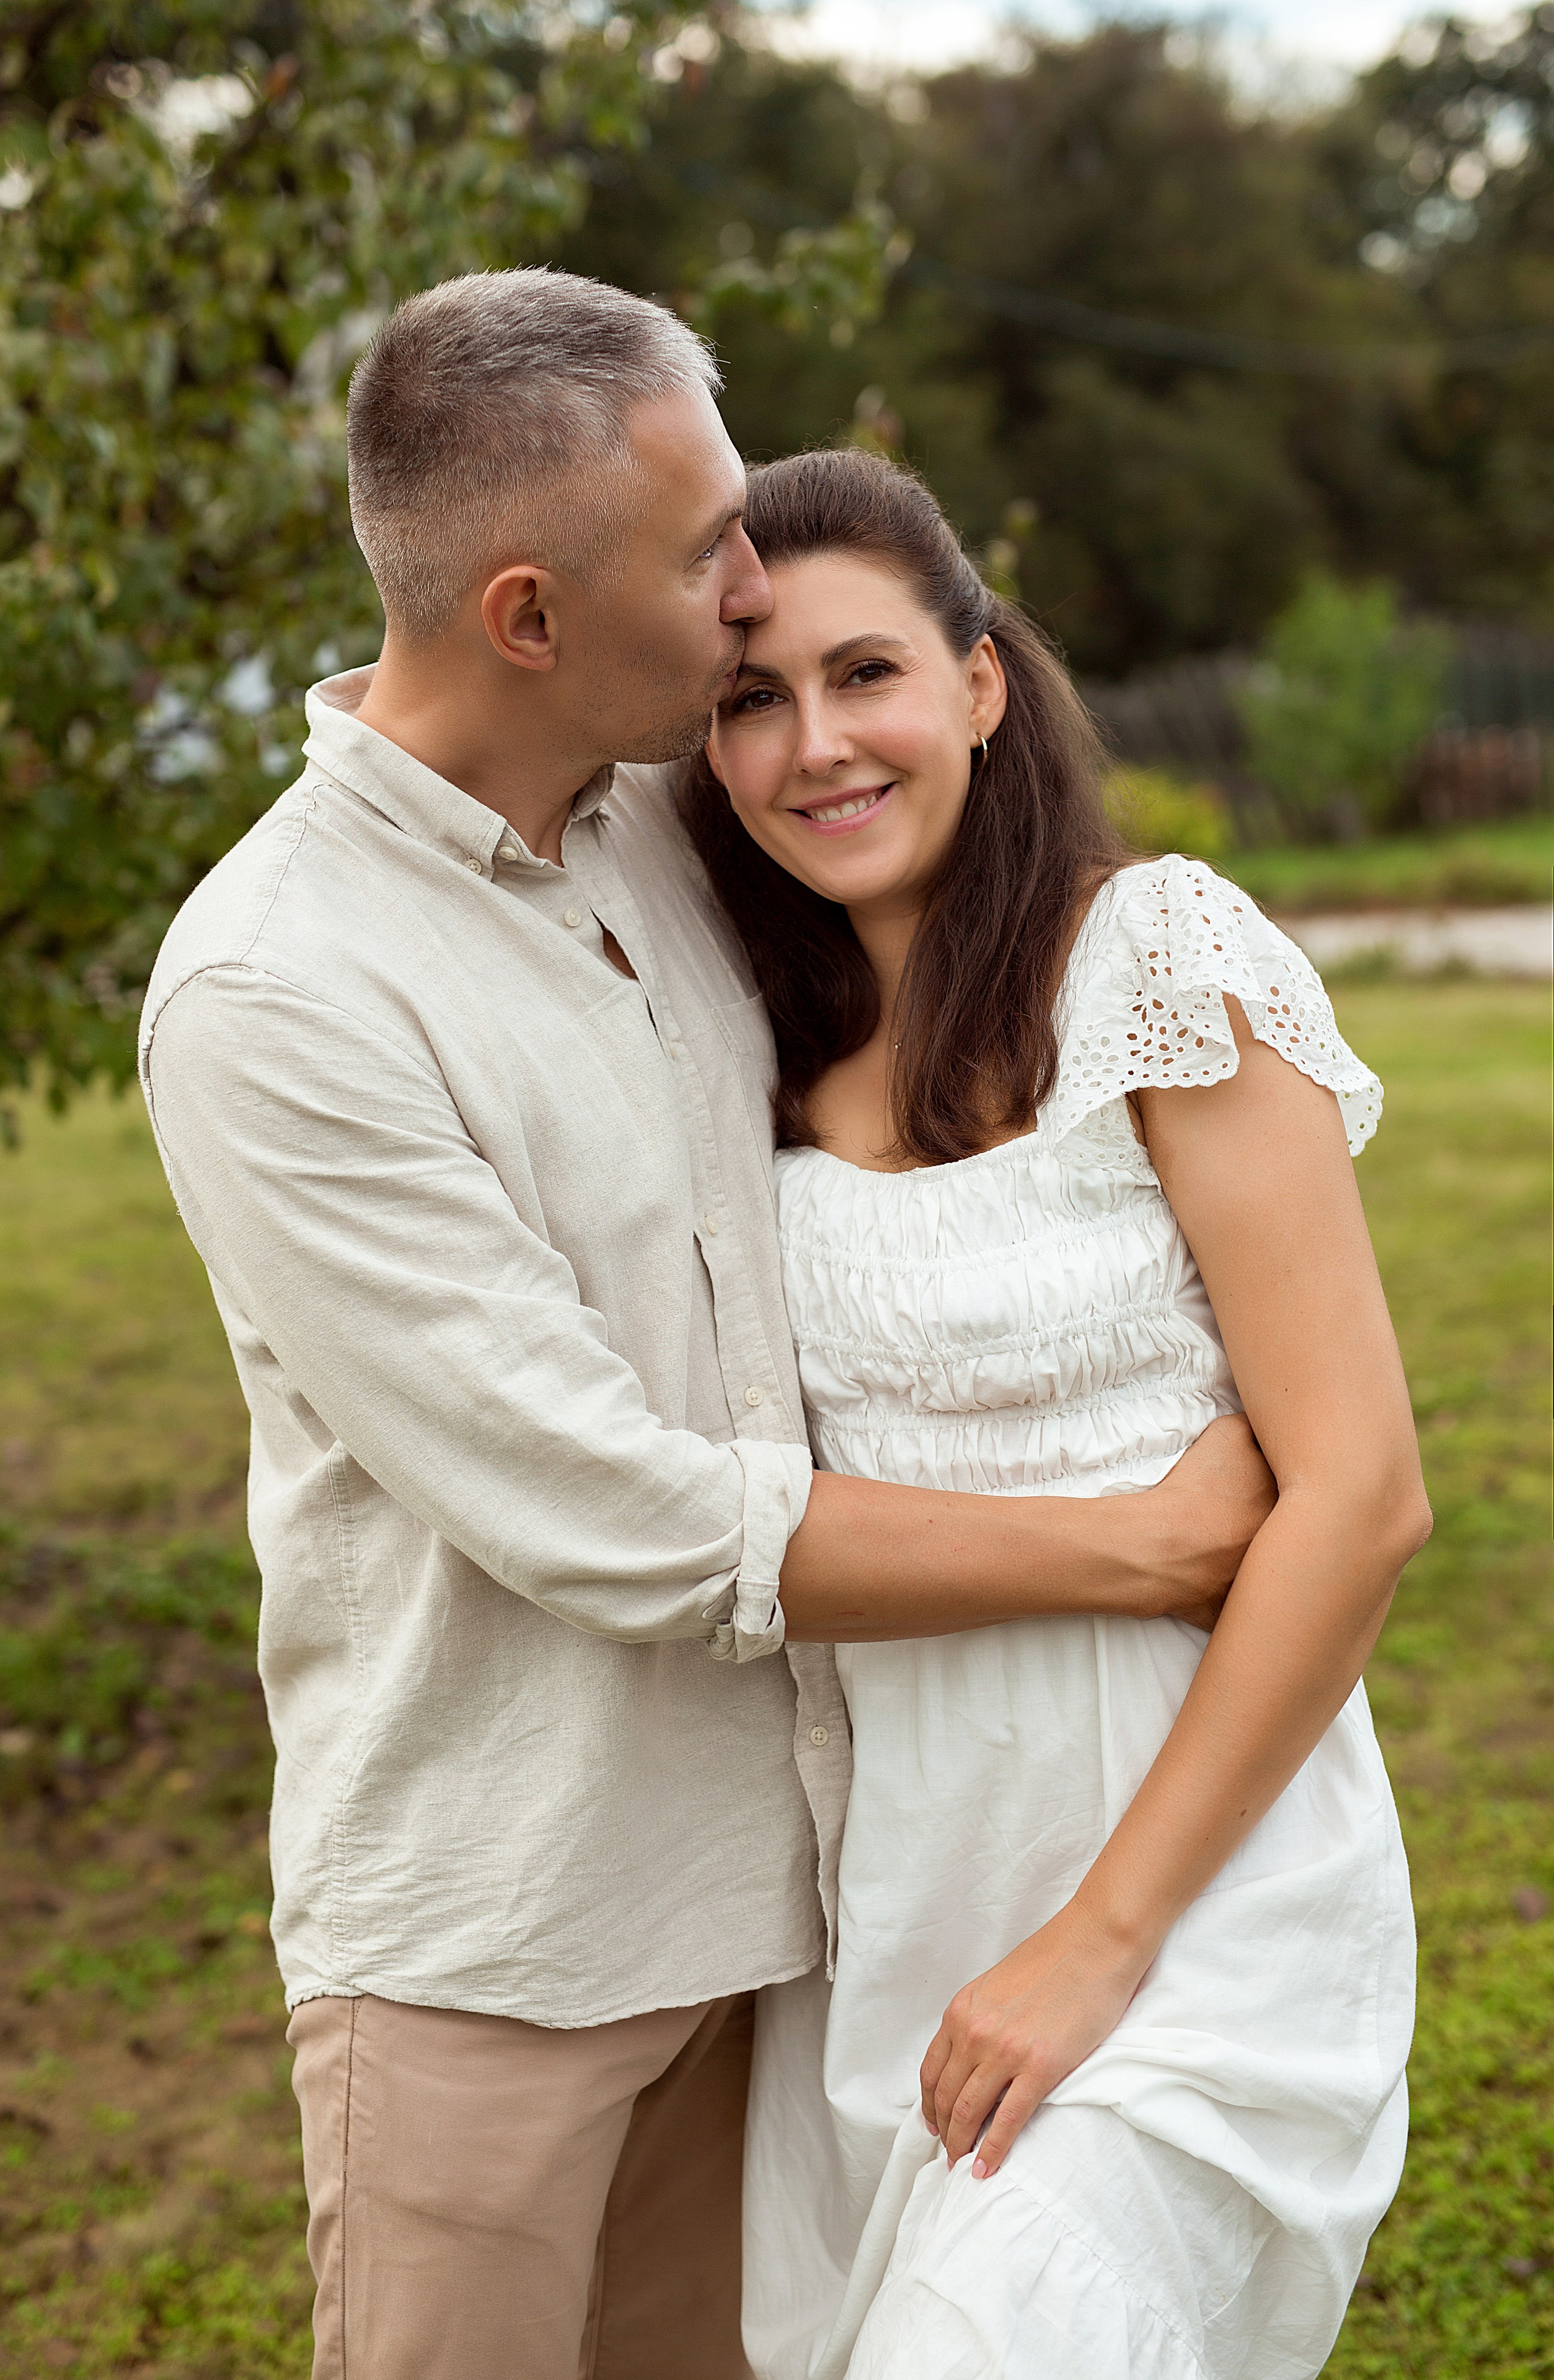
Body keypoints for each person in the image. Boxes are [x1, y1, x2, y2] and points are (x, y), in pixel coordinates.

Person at [138, 272, 1271, 2380]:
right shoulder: (278, 993)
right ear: (529, 616)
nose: (751, 585)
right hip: (498, 1935)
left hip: (789, 1908)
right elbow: (619, 1510)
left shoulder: (667, 830)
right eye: (706, 552)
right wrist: (1141, 1543)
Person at [681, 447, 1429, 2380]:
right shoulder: (734, 1047)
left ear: (980, 682)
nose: (814, 745)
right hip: (904, 1877)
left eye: (865, 673)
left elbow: (1359, 1497)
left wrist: (1102, 1942)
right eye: (751, 697)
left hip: (1199, 1883)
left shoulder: (1151, 959)